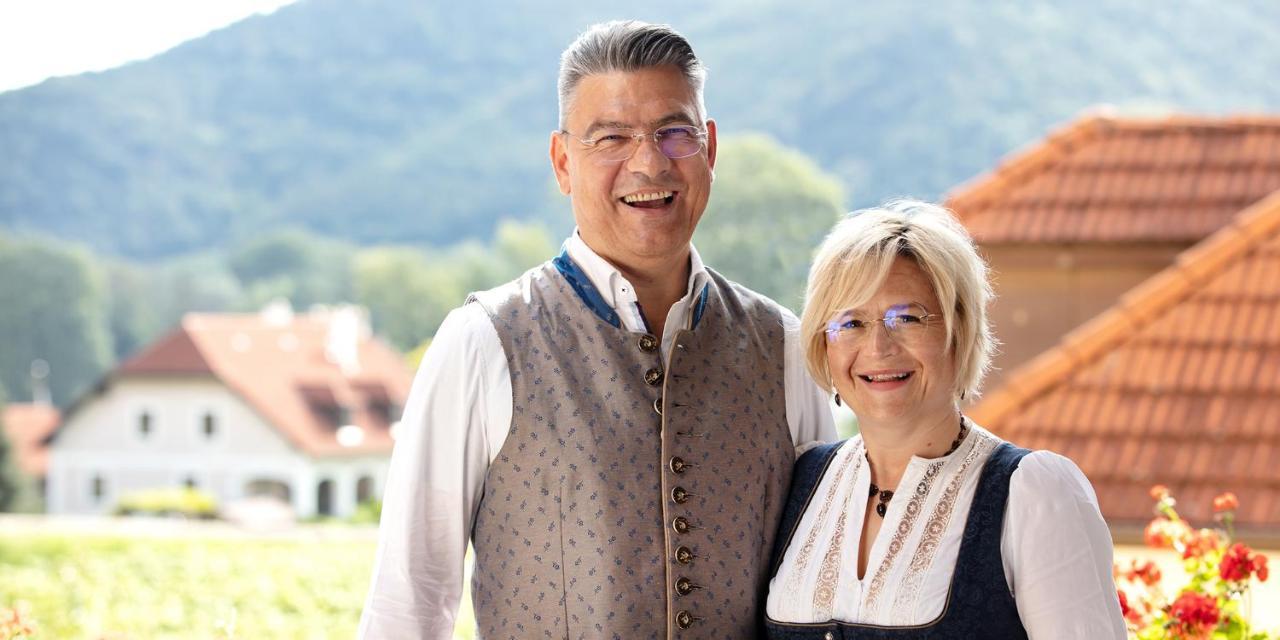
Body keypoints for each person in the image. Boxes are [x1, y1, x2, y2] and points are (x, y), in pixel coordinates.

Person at [358, 20, 835, 639]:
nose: (648, 162)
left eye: (674, 133)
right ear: (563, 162)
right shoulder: (482, 343)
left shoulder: (786, 348)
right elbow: (410, 601)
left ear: (709, 149)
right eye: (611, 137)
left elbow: (817, 589)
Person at [764, 201, 1126, 638]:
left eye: (907, 318)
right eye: (852, 322)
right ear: (824, 344)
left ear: (961, 330)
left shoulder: (1033, 495)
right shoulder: (801, 481)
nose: (878, 347)